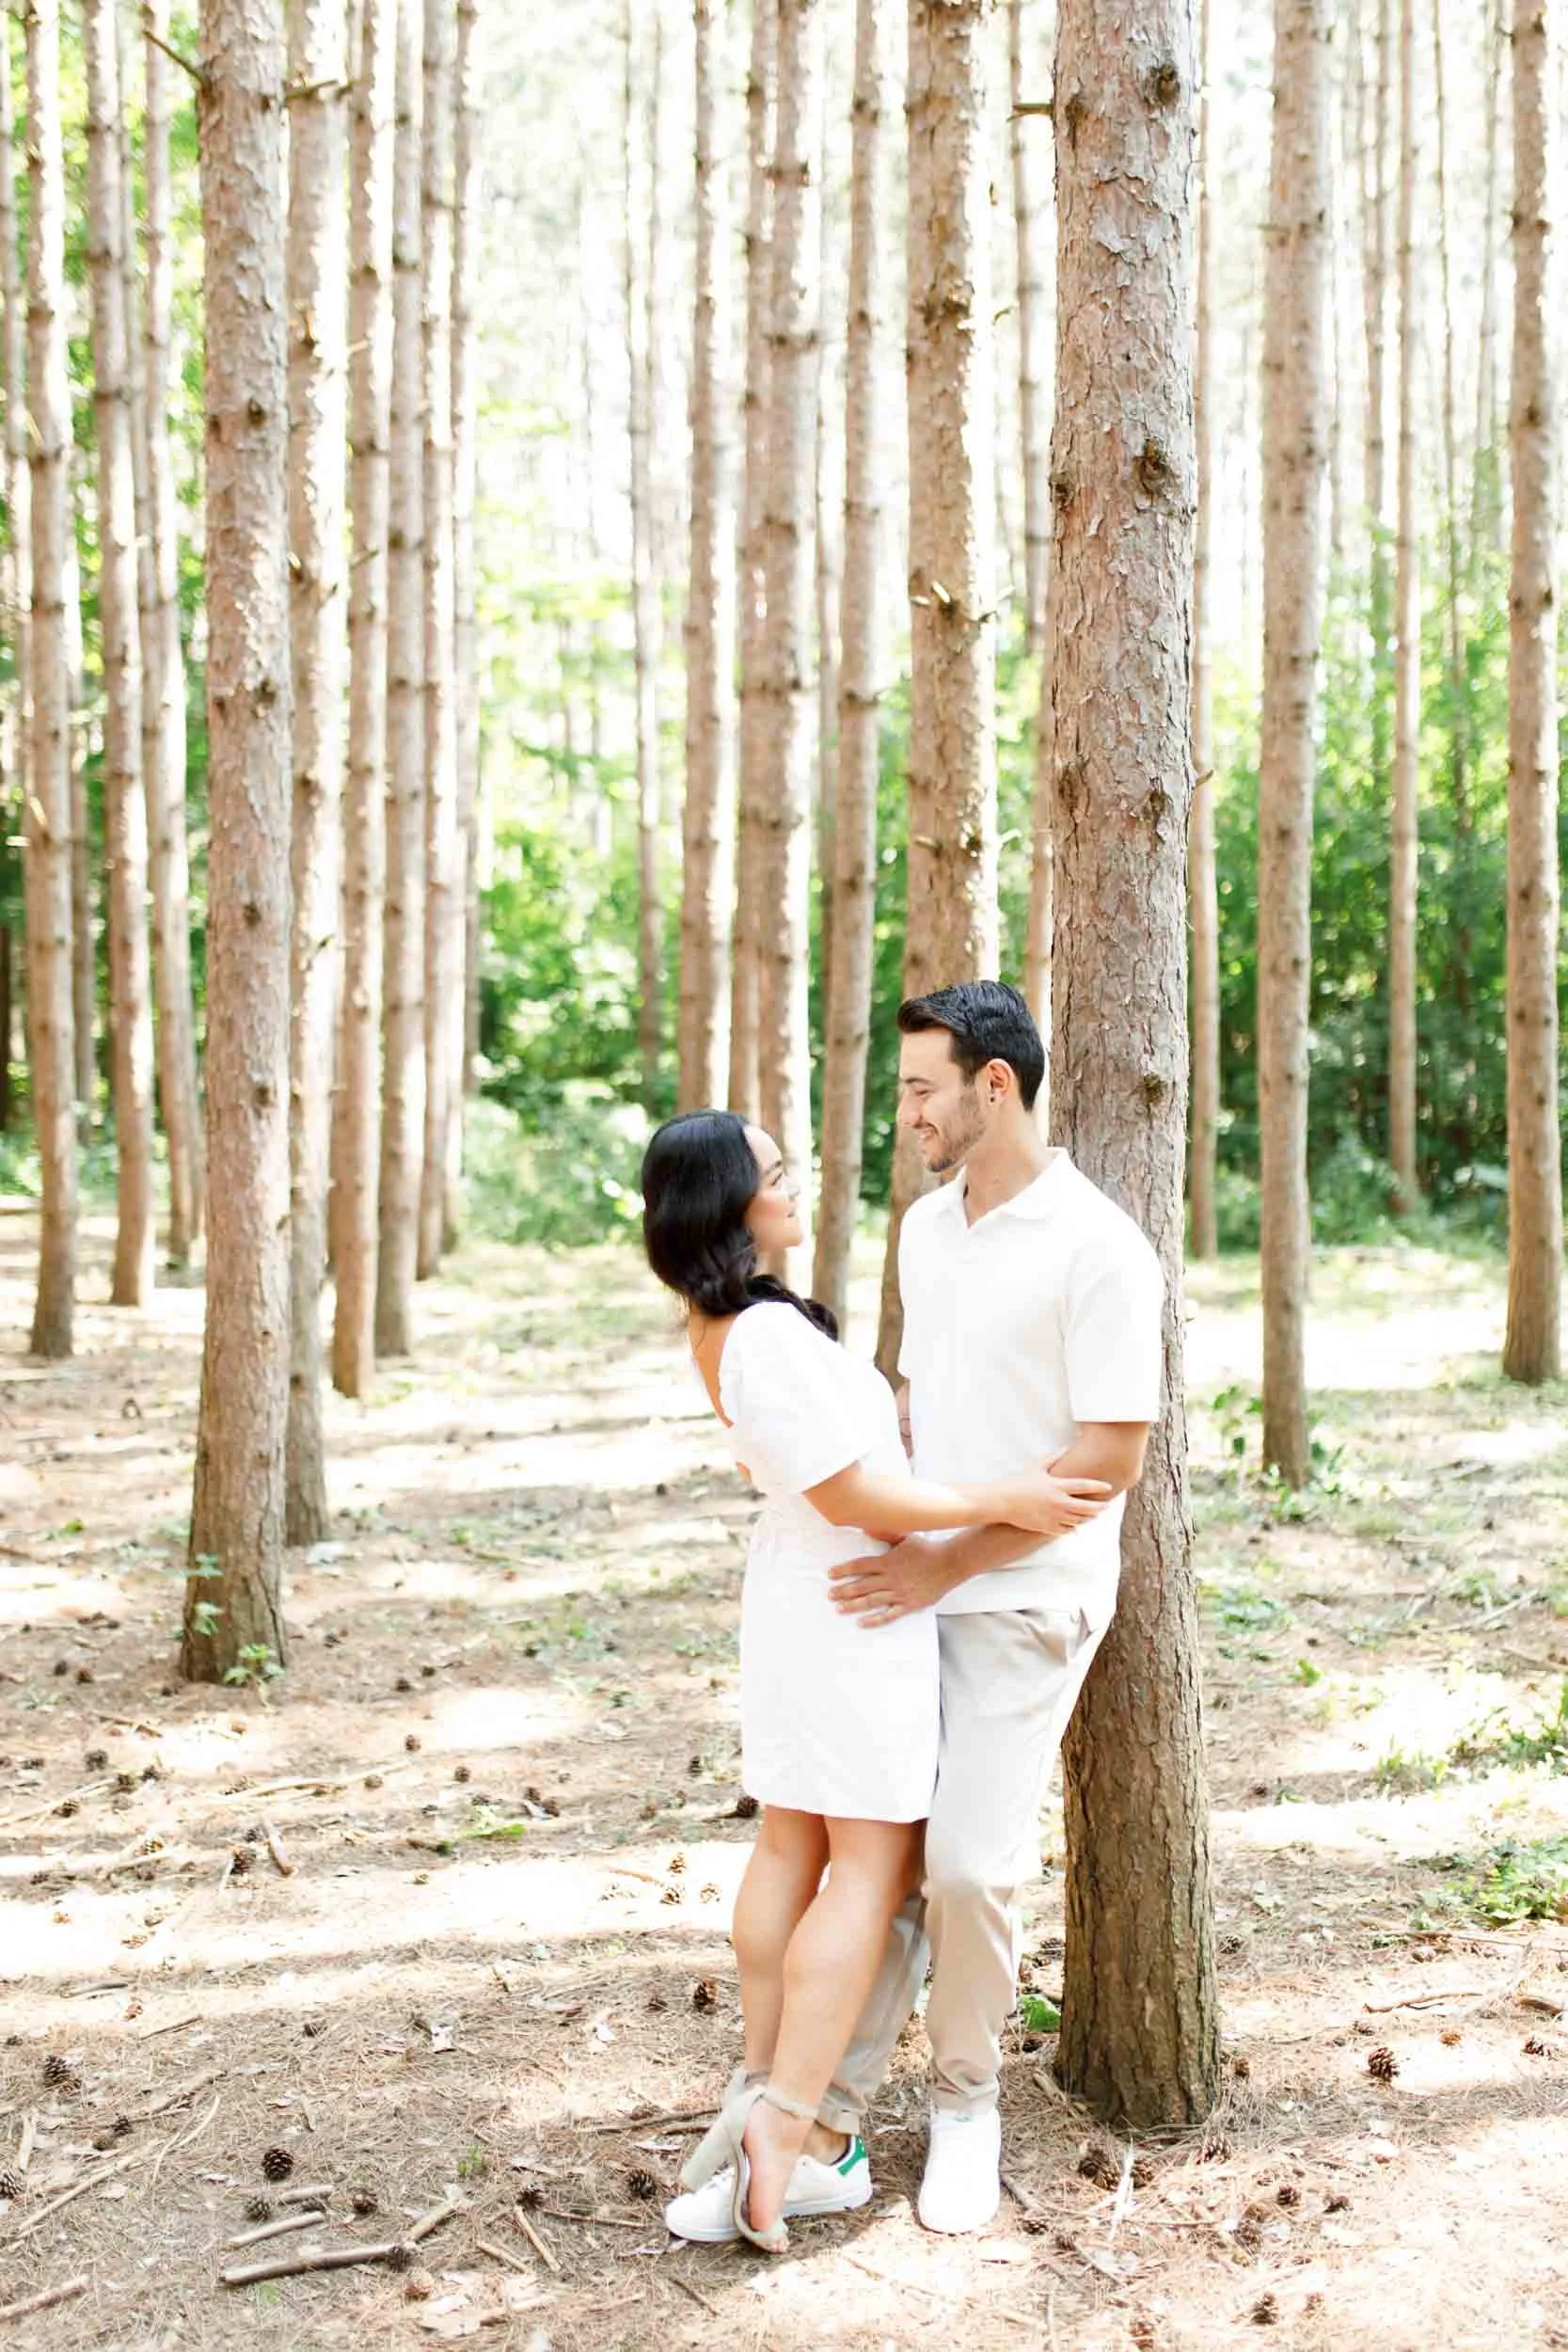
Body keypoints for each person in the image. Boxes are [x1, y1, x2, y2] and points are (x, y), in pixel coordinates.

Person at [639, 1108, 1114, 2251]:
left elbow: (840, 1459)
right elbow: (859, 1499)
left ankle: (766, 2090)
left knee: (791, 1845)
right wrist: (998, 1498)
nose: (794, 1185)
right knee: (870, 1860)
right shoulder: (763, 1334)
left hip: (804, 1592)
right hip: (854, 1599)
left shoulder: (727, 1325)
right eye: (774, 1173)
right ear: (729, 1204)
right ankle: (790, 2121)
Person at [820, 979, 1165, 2234]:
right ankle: (814, 2124)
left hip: (1026, 1597)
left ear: (994, 1086)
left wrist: (945, 1565)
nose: (902, 1112)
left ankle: (966, 2105)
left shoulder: (1097, 1250)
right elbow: (915, 1410)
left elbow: (1106, 1466)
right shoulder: (923, 1230)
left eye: (919, 1088)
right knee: (871, 1859)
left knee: (965, 1865)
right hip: (917, 1588)